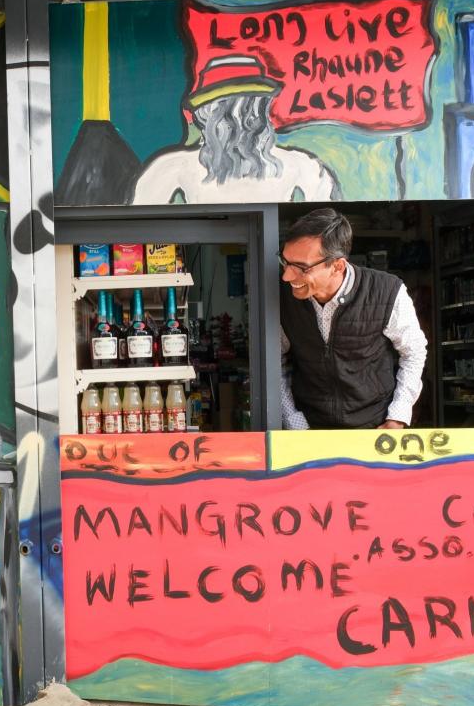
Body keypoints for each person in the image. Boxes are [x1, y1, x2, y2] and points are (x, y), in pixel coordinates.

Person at [279, 208, 427, 430]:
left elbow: (413, 351)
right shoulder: (282, 297)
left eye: (301, 267)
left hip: (374, 427)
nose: (287, 276)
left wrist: (397, 416)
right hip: (309, 428)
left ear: (337, 265)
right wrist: (294, 421)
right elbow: (272, 362)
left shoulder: (388, 290)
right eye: (285, 262)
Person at [131, 55, 338, 205]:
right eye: (225, 111)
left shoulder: (301, 165)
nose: (241, 120)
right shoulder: (173, 166)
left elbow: (326, 223)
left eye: (249, 107)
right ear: (205, 115)